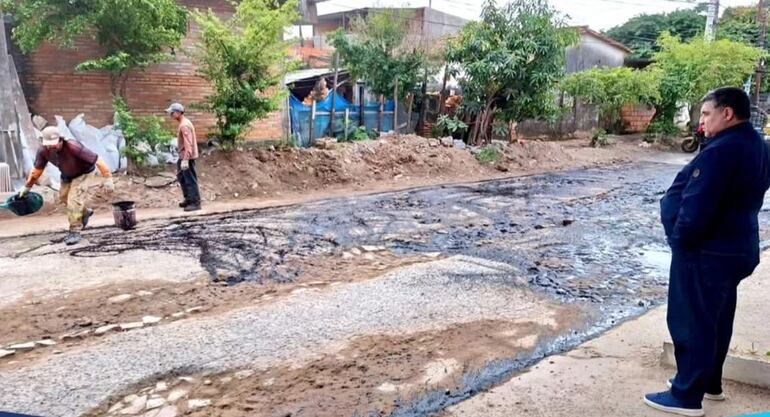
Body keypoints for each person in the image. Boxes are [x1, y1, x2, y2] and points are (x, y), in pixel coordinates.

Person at [646, 87, 770, 416]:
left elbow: (696, 204)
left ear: (727, 113)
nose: (701, 120)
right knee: (716, 318)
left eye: (705, 113)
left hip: (706, 251)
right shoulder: (757, 145)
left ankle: (686, 395)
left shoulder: (722, 150)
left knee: (693, 320)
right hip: (736, 248)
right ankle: (710, 382)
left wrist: (681, 240)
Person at [18, 126, 115, 245]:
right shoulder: (43, 151)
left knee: (74, 200)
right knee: (64, 197)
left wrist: (108, 177)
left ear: (61, 140)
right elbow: (37, 170)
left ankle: (75, 231)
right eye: (49, 144)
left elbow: (97, 159)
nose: (52, 147)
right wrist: (27, 187)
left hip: (84, 173)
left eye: (54, 143)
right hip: (67, 174)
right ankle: (85, 212)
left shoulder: (73, 147)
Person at [166, 103, 201, 212]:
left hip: (187, 157)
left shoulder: (184, 125)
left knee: (190, 179)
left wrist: (186, 159)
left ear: (178, 112)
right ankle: (189, 199)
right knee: (182, 177)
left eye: (172, 113)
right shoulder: (183, 123)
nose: (170, 115)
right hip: (183, 156)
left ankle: (195, 203)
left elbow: (188, 144)